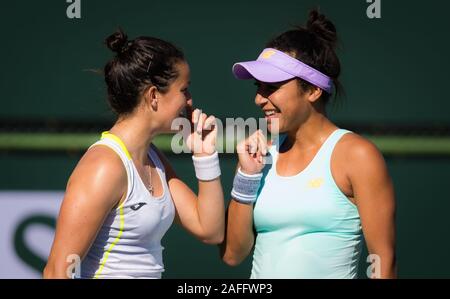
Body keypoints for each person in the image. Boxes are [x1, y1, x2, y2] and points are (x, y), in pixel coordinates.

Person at [221, 9, 396, 278]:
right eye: (258, 86)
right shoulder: (257, 159)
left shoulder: (358, 155)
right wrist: (246, 177)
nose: (259, 99)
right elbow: (233, 253)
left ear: (313, 90)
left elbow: (383, 262)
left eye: (272, 86)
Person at [43, 29, 225, 279]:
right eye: (184, 90)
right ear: (153, 96)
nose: (190, 101)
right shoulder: (104, 167)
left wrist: (205, 157)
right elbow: (56, 272)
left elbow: (210, 229)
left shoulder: (154, 158)